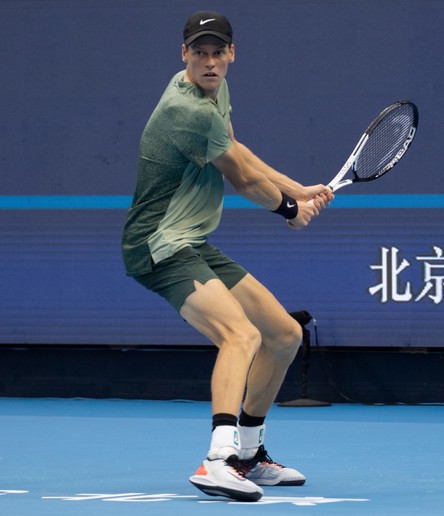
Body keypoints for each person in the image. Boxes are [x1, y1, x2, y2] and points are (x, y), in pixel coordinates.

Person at [121, 10, 334, 502]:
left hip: (192, 240)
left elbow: (235, 151)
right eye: (200, 53)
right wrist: (288, 209)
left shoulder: (214, 92)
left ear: (232, 54)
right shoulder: (188, 110)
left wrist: (297, 188)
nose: (210, 61)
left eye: (218, 52)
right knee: (241, 334)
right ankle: (218, 459)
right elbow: (241, 180)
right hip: (158, 245)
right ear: (184, 55)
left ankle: (251, 456)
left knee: (283, 335)